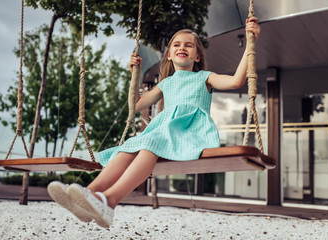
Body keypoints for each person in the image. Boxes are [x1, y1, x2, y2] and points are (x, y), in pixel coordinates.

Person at [47, 17, 261, 228]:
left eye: (189, 45)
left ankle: (109, 201)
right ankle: (90, 194)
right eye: (176, 45)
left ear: (197, 56)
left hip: (191, 131)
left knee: (150, 141)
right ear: (169, 55)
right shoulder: (166, 83)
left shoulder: (205, 77)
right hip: (165, 132)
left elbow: (236, 81)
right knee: (131, 145)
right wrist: (135, 75)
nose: (182, 47)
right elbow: (136, 105)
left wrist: (250, 42)